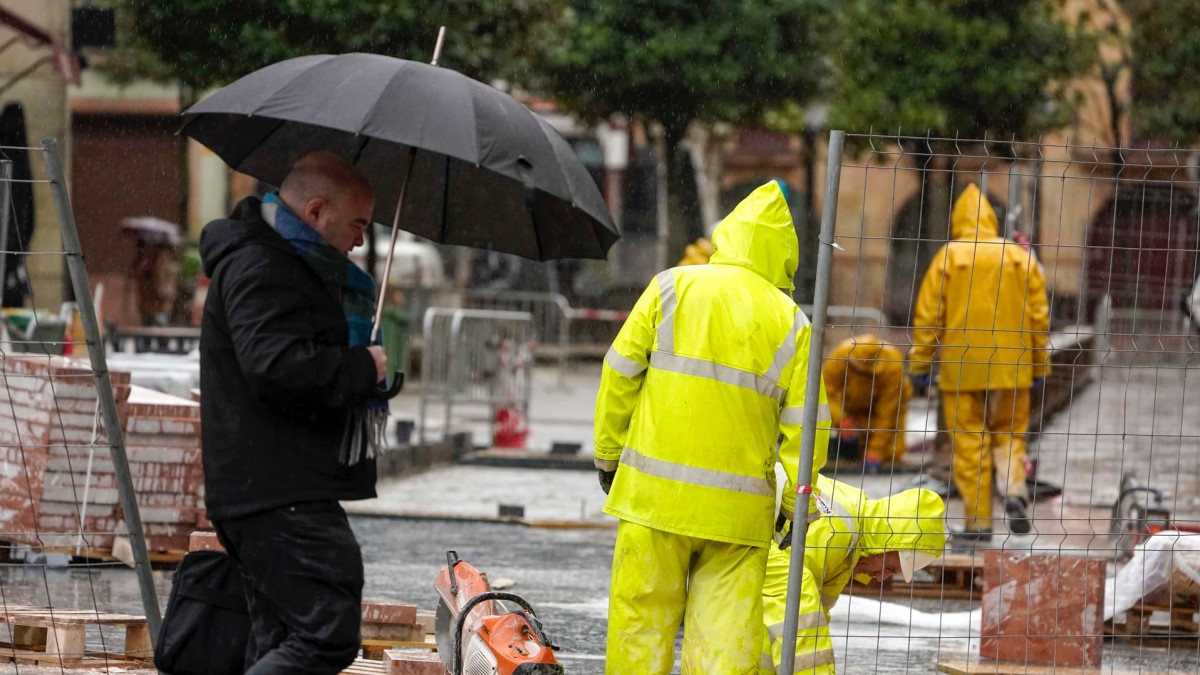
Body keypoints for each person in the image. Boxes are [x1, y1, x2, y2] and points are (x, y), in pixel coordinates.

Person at [594, 180, 831, 673]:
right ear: (782, 253)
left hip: (652, 503)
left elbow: (618, 373)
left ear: (729, 233)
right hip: (737, 518)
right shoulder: (793, 323)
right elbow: (807, 430)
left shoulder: (671, 286)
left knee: (641, 627)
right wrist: (793, 505)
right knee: (724, 645)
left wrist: (608, 456)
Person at [199, 151, 388, 672]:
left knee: (279, 635)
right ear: (315, 211)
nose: (360, 240)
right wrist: (359, 367)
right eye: (356, 224)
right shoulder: (263, 266)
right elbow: (277, 368)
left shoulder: (286, 264)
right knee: (325, 632)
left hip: (275, 484)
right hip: (279, 488)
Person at [908, 183, 1050, 544]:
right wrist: (1038, 365)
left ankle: (977, 525)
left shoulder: (950, 256)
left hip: (962, 370)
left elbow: (929, 317)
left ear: (958, 221)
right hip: (1012, 368)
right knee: (1009, 436)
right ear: (991, 219)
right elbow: (1038, 316)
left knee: (970, 445)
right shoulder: (1018, 257)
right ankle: (1014, 490)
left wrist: (921, 365)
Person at [760, 474, 947, 673]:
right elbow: (794, 608)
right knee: (791, 605)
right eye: (890, 568)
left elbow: (817, 614)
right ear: (884, 544)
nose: (881, 577)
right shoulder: (837, 531)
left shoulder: (849, 546)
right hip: (737, 528)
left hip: (743, 532)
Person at [822, 334, 912, 471]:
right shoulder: (840, 356)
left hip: (890, 408)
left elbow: (887, 412)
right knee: (850, 449)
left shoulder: (893, 365)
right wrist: (841, 419)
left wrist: (876, 450)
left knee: (892, 453)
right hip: (851, 405)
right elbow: (825, 393)